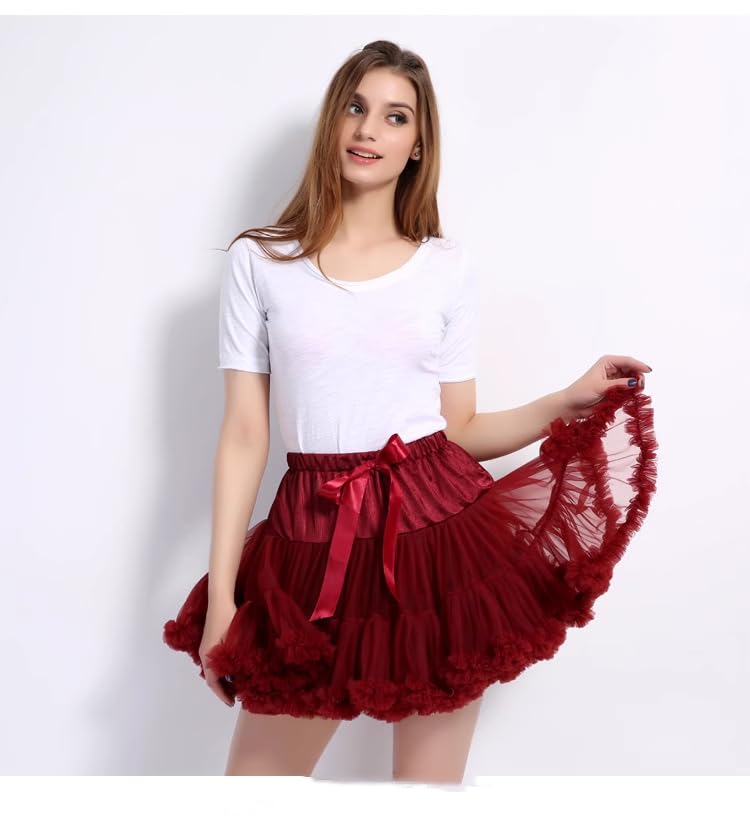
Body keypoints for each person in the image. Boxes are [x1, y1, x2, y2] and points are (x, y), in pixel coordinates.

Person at [163, 39, 658, 783]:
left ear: (418, 143)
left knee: (425, 799)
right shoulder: (261, 261)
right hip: (310, 536)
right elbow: (242, 435)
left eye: (396, 117)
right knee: (255, 794)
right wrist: (223, 598)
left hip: (435, 536)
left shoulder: (446, 268)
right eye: (356, 108)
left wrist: (563, 400)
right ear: (333, 121)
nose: (370, 130)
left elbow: (459, 432)